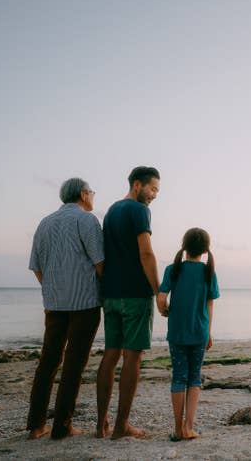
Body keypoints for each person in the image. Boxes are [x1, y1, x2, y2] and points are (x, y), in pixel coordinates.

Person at [27, 178, 104, 440]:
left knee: (47, 362)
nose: (93, 196)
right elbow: (100, 263)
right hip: (85, 304)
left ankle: (36, 426)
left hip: (54, 304)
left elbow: (36, 267)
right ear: (83, 194)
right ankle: (62, 426)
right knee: (73, 365)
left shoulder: (44, 223)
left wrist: (53, 289)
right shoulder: (86, 220)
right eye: (92, 192)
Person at [96, 166, 161, 440]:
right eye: (153, 189)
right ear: (137, 185)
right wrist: (159, 291)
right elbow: (146, 253)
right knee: (132, 357)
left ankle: (101, 426)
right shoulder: (139, 211)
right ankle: (121, 426)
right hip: (135, 294)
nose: (155, 195)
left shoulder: (111, 211)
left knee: (110, 355)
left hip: (110, 294)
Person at [157, 227, 220, 441]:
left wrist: (164, 310)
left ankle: (177, 429)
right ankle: (189, 428)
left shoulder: (172, 269)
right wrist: (208, 333)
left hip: (177, 333)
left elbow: (161, 297)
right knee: (194, 378)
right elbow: (209, 305)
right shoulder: (208, 272)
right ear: (205, 250)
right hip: (199, 333)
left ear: (184, 246)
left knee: (178, 376)